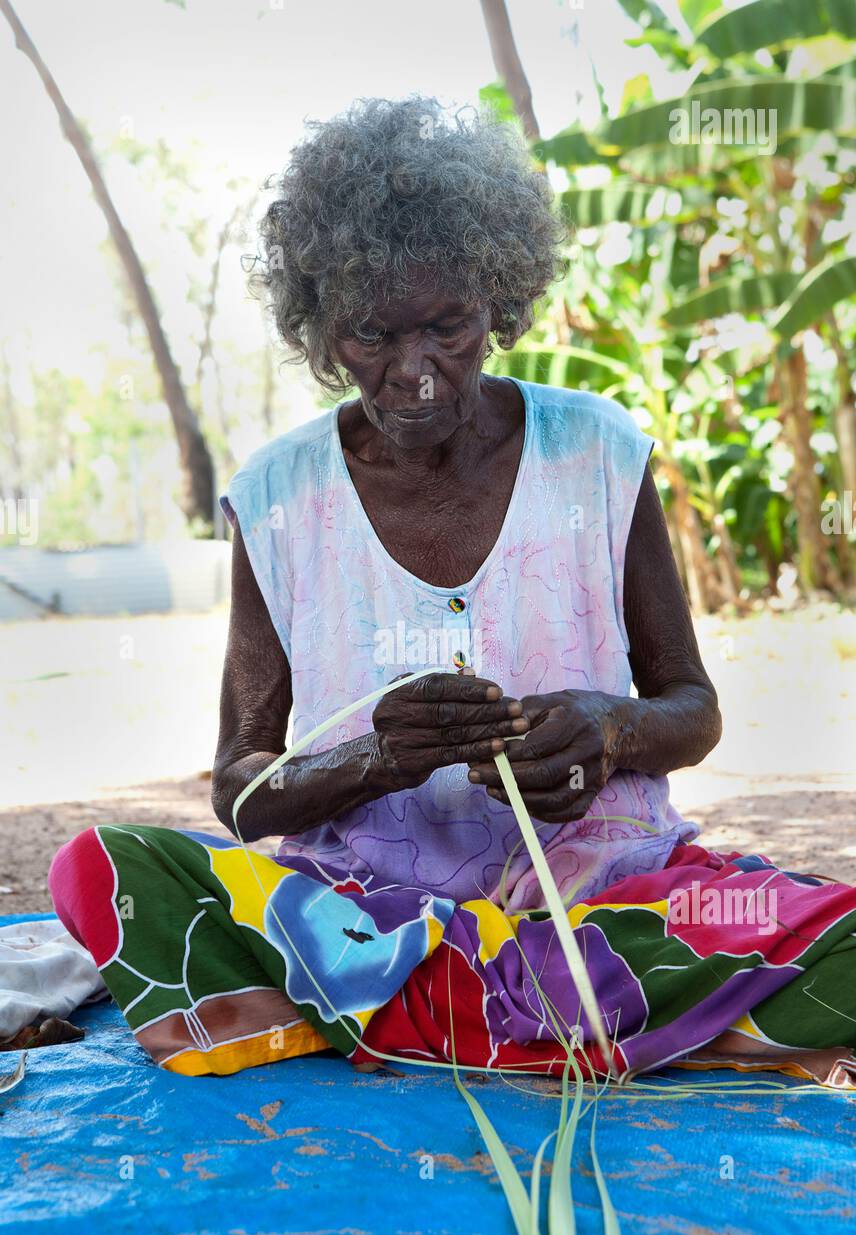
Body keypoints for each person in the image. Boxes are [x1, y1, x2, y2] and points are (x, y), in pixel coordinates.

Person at [49, 98, 856, 1088]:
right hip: (360, 913)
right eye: (371, 335)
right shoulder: (275, 498)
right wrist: (372, 757)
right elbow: (243, 792)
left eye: (447, 326)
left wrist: (607, 732)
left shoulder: (599, 454)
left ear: (500, 306)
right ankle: (556, 1014)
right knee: (103, 869)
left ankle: (407, 1017)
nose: (415, 372)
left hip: (607, 900)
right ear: (320, 329)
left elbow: (692, 710)